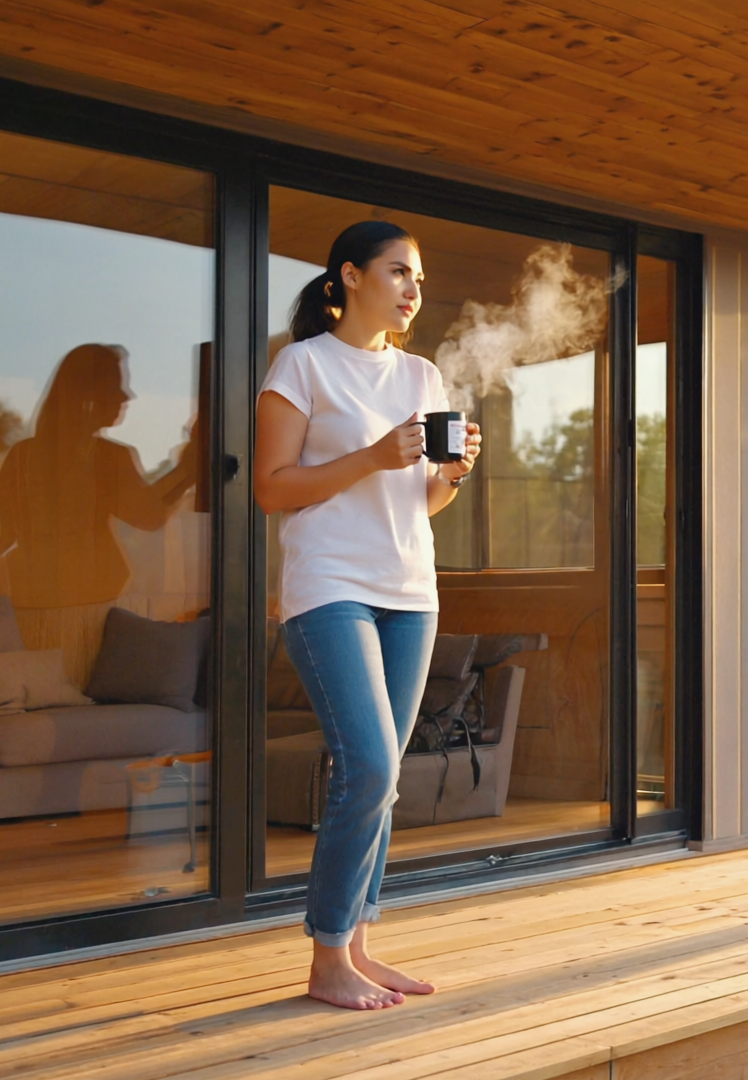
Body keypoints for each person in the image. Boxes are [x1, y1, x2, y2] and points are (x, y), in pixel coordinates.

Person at [254, 221, 482, 1010]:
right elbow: (272, 489)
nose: (413, 288)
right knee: (371, 767)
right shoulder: (303, 365)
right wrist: (372, 457)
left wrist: (449, 477)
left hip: (409, 592)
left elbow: (415, 501)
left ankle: (355, 945)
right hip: (329, 588)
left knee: (383, 779)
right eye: (398, 272)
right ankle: (325, 957)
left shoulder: (422, 375)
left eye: (418, 276)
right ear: (348, 277)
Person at [0, 343, 199, 685]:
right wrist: (190, 467)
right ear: (87, 394)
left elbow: (5, 540)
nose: (127, 394)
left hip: (30, 611)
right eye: (116, 384)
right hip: (90, 617)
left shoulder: (22, 456)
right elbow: (149, 515)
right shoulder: (105, 458)